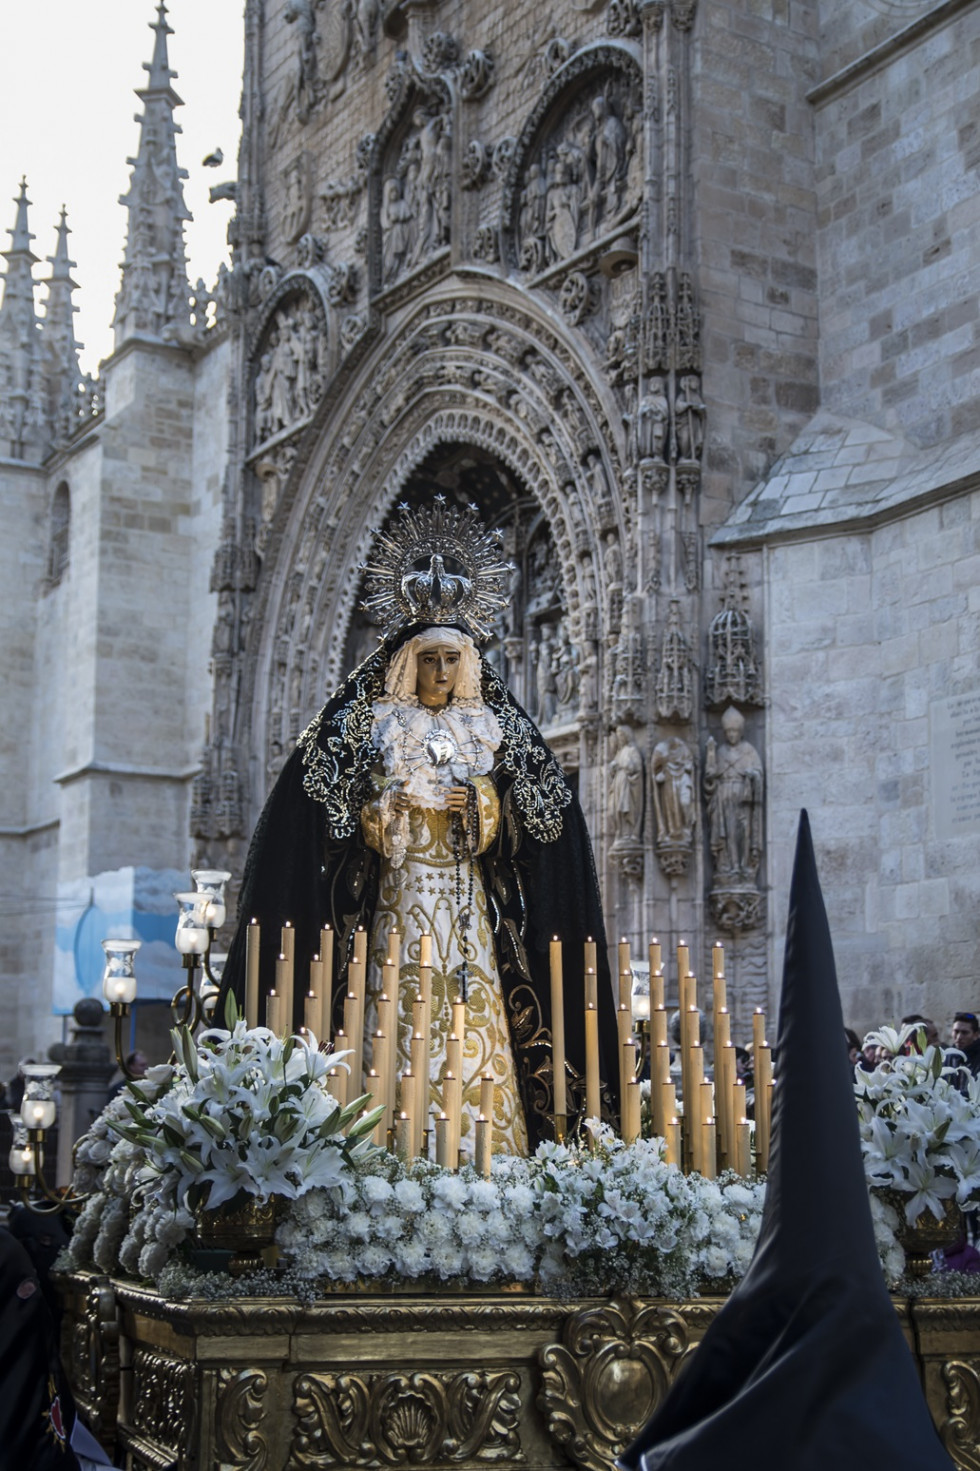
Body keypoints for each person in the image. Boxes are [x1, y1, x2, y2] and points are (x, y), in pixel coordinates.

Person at [220, 499, 620, 1152]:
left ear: (467, 664)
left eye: (450, 661)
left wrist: (482, 808)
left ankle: (485, 1151)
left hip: (467, 910)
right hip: (399, 902)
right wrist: (386, 811)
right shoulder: (374, 727)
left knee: (473, 1020)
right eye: (429, 659)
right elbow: (329, 818)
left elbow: (538, 820)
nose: (440, 672)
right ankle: (384, 1144)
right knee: (395, 1016)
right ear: (409, 662)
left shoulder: (491, 729)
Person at [947, 1011, 980, 1078]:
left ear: (976, 1035)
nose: (959, 1037)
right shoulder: (948, 1056)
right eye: (956, 1031)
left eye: (964, 1033)